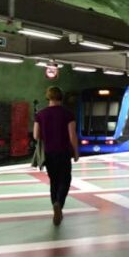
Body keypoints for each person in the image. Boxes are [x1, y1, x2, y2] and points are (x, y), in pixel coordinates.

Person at [33, 86, 79, 226]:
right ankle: (59, 203)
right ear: (61, 97)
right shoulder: (68, 114)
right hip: (64, 152)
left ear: (48, 97)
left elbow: (36, 136)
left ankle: (55, 204)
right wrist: (76, 152)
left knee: (54, 181)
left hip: (49, 153)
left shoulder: (40, 114)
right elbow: (72, 135)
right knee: (65, 180)